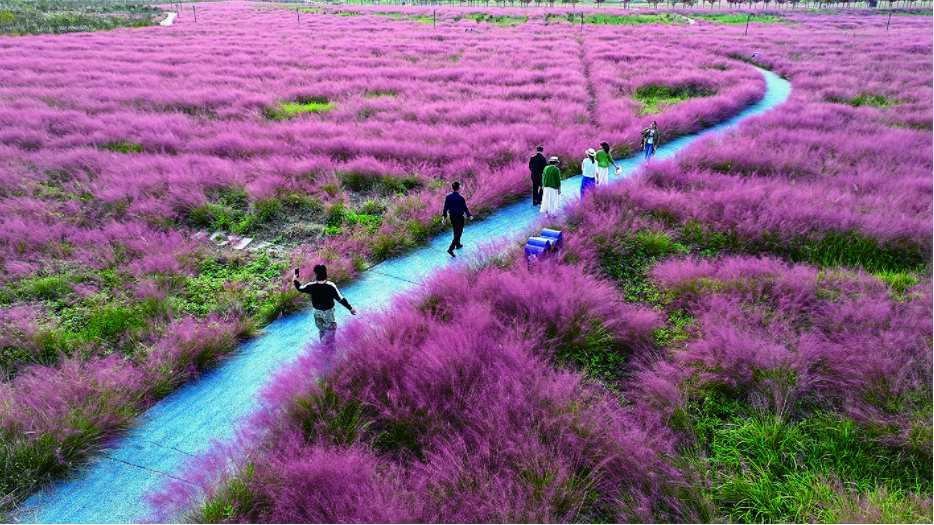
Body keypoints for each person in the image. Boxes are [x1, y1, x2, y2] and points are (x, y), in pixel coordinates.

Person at [293, 264, 356, 344]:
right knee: (331, 332)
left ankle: (323, 348)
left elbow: (300, 288)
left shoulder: (311, 286)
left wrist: (295, 279)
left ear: (315, 274)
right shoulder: (330, 286)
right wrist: (350, 308)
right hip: (328, 313)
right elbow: (340, 299)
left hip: (317, 312)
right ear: (325, 273)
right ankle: (330, 350)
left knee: (322, 330)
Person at [441, 181, 473, 257]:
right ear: (458, 188)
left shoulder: (448, 197)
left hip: (452, 217)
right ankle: (451, 248)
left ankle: (458, 244)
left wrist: (444, 217)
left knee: (455, 230)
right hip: (459, 217)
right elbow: (464, 208)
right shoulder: (460, 198)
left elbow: (445, 208)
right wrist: (469, 215)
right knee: (459, 233)